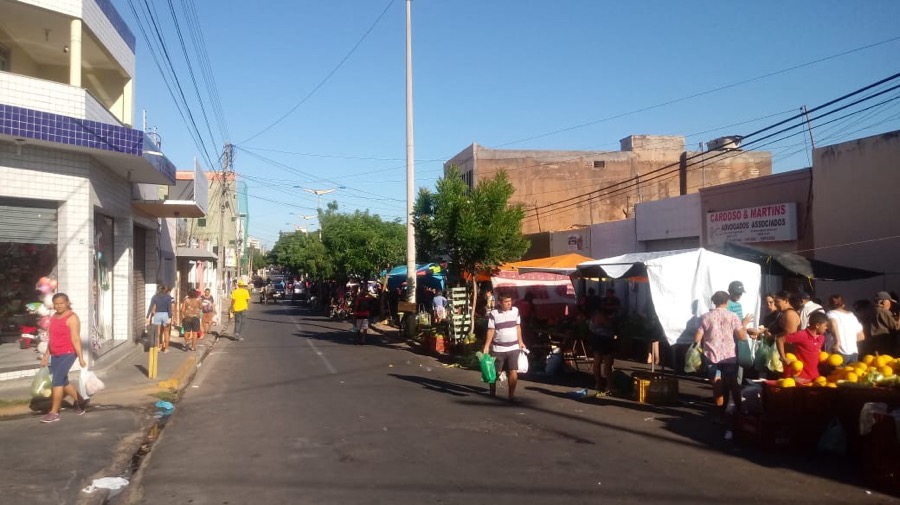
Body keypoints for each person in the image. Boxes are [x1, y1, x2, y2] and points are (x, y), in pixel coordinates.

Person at [694, 291, 746, 425]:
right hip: (729, 356)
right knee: (733, 384)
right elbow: (742, 336)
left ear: (714, 301)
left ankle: (720, 415)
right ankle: (739, 412)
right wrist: (744, 325)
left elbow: (697, 337)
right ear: (727, 301)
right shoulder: (733, 316)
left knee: (717, 386)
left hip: (712, 356)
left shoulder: (706, 317)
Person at [39, 293, 87, 423]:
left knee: (57, 381)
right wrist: (46, 355)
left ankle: (54, 413)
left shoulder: (72, 318)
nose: (59, 306)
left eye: (61, 303)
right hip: (55, 353)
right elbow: (52, 338)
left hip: (68, 352)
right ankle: (81, 402)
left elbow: (76, 339)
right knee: (63, 381)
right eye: (56, 303)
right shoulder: (54, 317)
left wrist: (81, 357)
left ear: (67, 302)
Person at [482, 294, 525, 402]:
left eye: (510, 301)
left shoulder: (515, 311)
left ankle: (511, 395)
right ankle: (492, 390)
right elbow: (491, 330)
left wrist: (520, 341)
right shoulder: (494, 314)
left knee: (513, 370)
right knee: (496, 373)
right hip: (498, 348)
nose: (509, 303)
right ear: (500, 303)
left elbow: (518, 326)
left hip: (513, 346)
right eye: (506, 302)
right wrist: (487, 346)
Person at [778, 311, 828, 381]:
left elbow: (816, 351)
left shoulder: (821, 338)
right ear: (817, 325)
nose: (826, 328)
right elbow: (780, 340)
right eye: (825, 325)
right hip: (800, 377)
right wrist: (783, 358)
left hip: (815, 377)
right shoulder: (802, 335)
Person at [825, 294, 864, 364]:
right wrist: (849, 341)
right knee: (851, 374)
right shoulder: (852, 316)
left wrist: (837, 342)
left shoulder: (830, 314)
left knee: (836, 374)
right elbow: (861, 336)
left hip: (838, 351)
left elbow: (833, 324)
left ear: (829, 305)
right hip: (853, 352)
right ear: (843, 305)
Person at [589, 309, 618, 398]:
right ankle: (609, 386)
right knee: (607, 363)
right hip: (605, 340)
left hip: (596, 339)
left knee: (597, 361)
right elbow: (608, 324)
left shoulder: (593, 317)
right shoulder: (601, 315)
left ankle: (598, 384)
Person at [869, 291, 900, 355]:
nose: (890, 304)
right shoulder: (883, 311)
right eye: (889, 302)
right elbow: (895, 327)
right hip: (884, 342)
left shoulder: (871, 310)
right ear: (883, 302)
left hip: (873, 343)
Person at [147, 285, 173, 353]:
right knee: (166, 332)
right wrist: (170, 317)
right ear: (165, 290)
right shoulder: (168, 297)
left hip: (157, 315)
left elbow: (150, 307)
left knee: (158, 333)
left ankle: (158, 347)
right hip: (165, 315)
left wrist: (147, 317)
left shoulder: (154, 297)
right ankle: (166, 348)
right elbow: (169, 308)